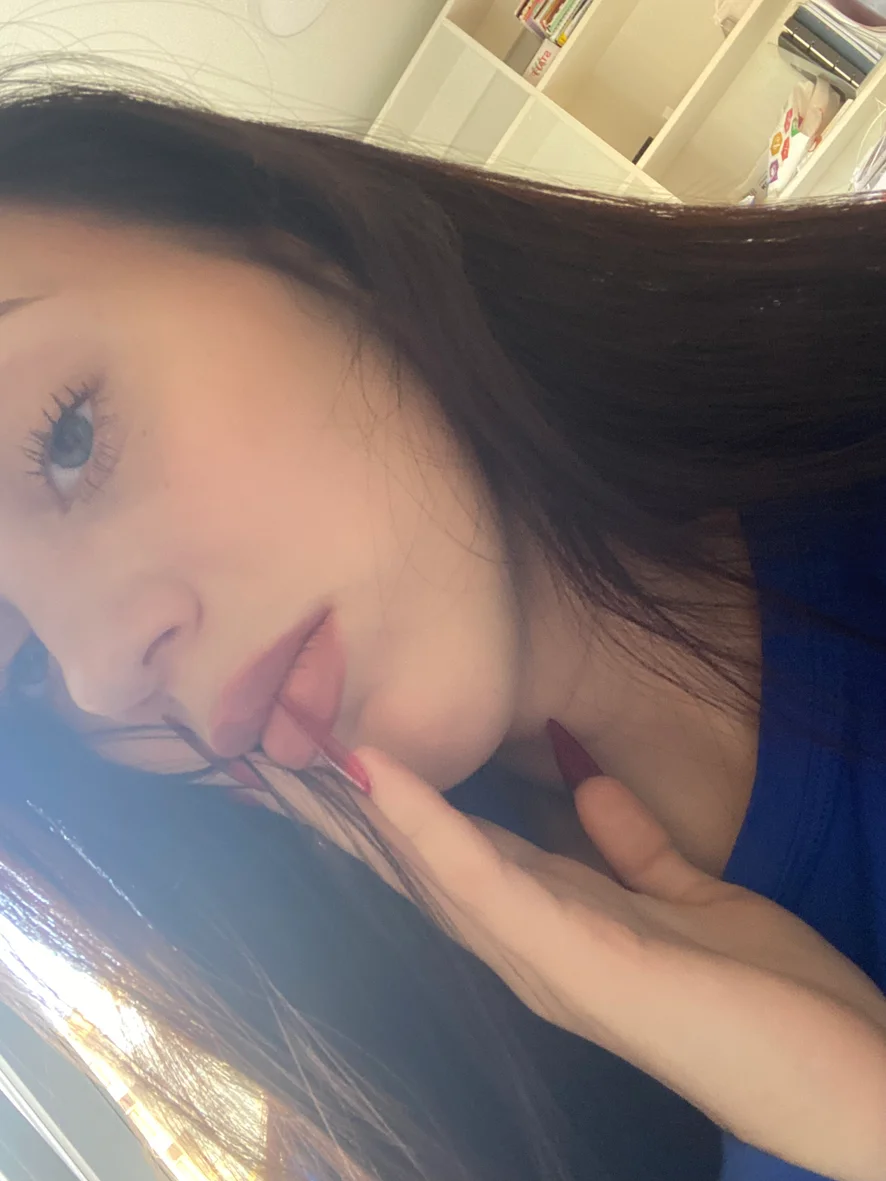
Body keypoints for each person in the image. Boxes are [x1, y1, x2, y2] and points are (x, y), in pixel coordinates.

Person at [0, 78, 882, 1181]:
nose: (98, 673)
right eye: (24, 670)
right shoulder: (391, 1140)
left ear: (300, 242)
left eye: (68, 439)